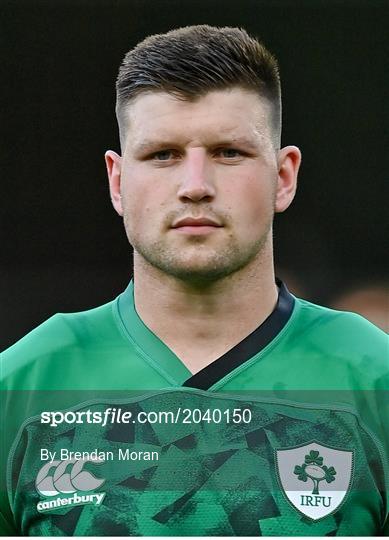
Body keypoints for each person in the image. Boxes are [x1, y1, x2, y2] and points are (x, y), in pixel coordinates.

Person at [1, 25, 388, 536]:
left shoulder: (372, 377)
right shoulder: (25, 384)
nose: (195, 186)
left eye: (229, 152)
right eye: (162, 154)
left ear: (283, 176)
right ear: (118, 182)